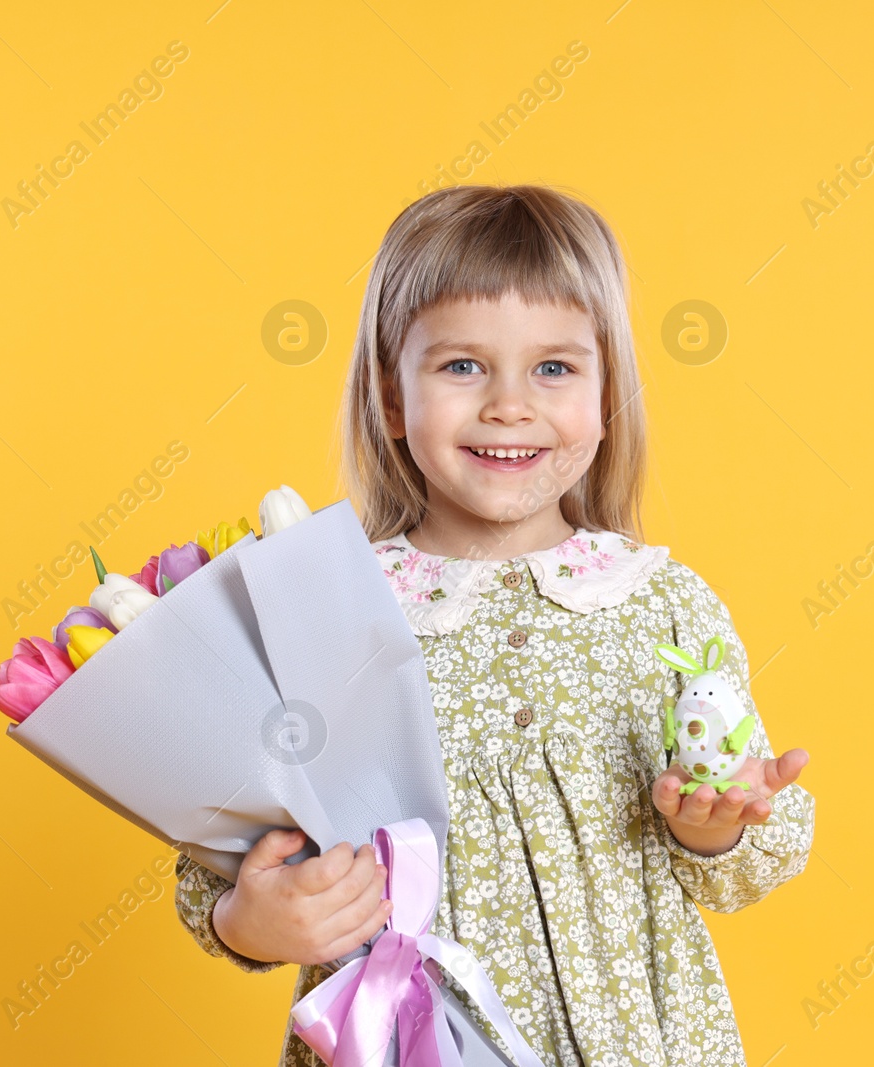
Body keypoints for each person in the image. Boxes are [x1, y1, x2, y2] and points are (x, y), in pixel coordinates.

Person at [174, 183, 815, 1066]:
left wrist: (714, 822)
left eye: (554, 368)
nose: (509, 405)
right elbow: (226, 860)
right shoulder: (330, 606)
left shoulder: (658, 604)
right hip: (408, 1036)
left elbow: (742, 853)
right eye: (462, 366)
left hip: (627, 1041)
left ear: (605, 395)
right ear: (391, 400)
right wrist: (251, 918)